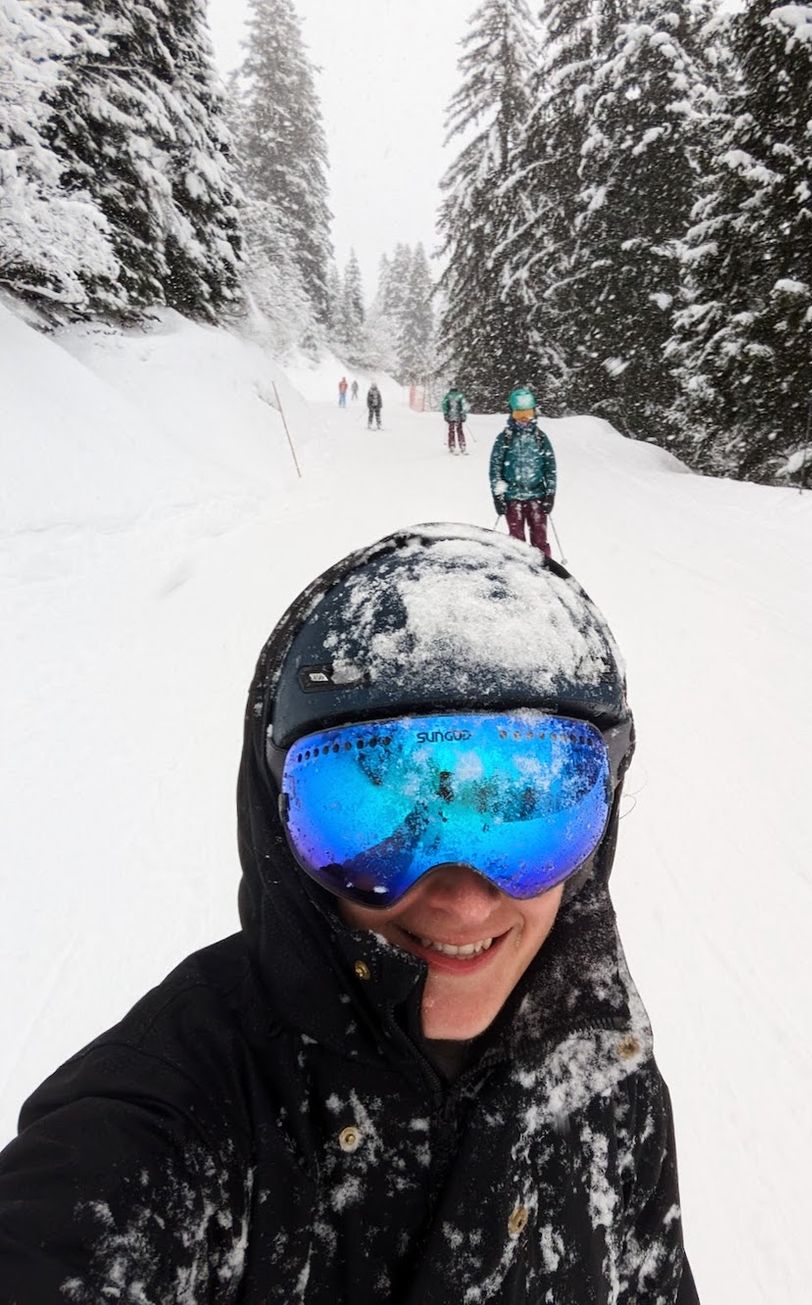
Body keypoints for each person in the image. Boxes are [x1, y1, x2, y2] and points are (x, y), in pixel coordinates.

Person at [0, 525, 698, 1304]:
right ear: (279, 819)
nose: (464, 900)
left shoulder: (600, 1056)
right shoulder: (178, 1115)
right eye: (372, 812)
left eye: (528, 810)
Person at [489, 386, 557, 557]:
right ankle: (519, 572)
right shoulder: (505, 438)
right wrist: (498, 496)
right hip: (512, 498)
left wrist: (550, 494)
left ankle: (544, 573)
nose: (524, 419)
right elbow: (495, 468)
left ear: (534, 413)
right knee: (516, 543)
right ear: (511, 413)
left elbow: (550, 468)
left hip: (537, 497)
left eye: (528, 413)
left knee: (540, 541)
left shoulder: (540, 438)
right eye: (519, 414)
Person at [441, 382, 469, 454]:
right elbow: (464, 405)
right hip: (458, 416)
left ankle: (452, 445)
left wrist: (446, 413)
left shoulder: (448, 396)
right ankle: (462, 445)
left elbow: (444, 405)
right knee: (459, 430)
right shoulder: (460, 395)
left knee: (451, 431)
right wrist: (463, 414)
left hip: (450, 416)